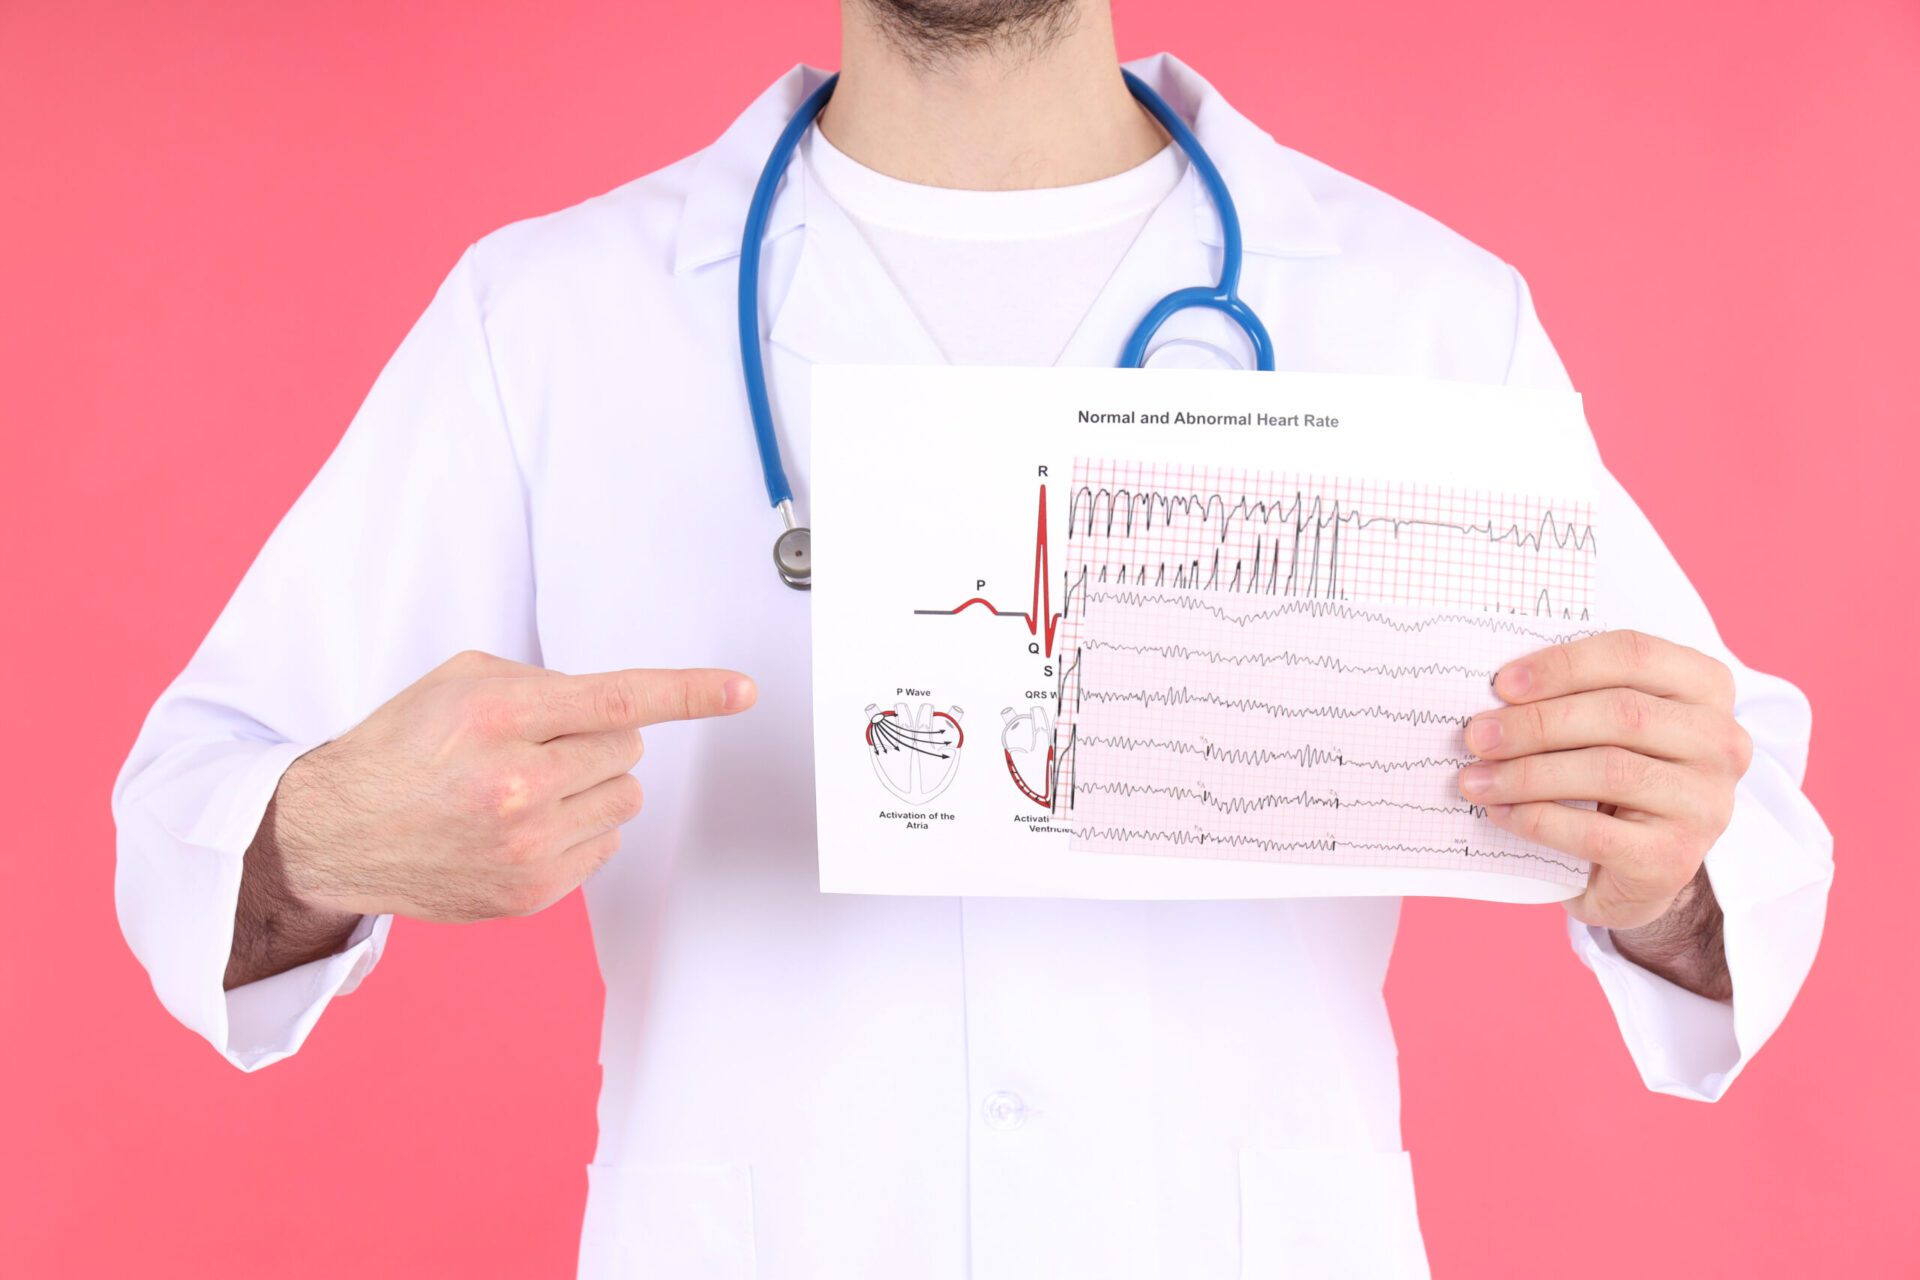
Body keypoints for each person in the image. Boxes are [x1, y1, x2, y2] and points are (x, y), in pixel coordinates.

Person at [112, 1, 1833, 1275]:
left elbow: (1739, 841)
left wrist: (1663, 858)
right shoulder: (548, 316)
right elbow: (187, 811)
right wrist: (323, 835)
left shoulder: (1421, 311)